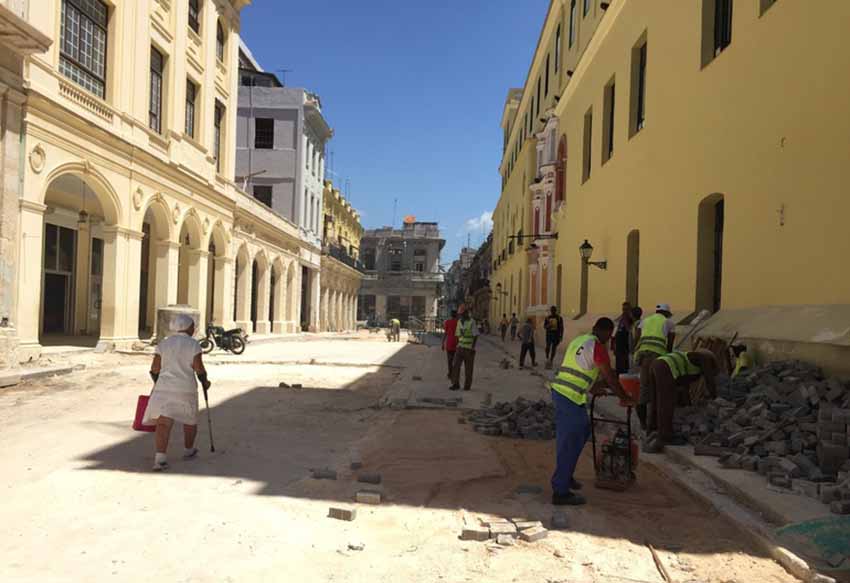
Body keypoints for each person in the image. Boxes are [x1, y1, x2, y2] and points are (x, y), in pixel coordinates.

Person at [550, 318, 635, 505]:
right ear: (606, 333)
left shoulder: (579, 340)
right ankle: (560, 491)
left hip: (566, 393)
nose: (608, 338)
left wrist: (592, 386)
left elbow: (578, 369)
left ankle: (566, 476)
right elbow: (610, 377)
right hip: (568, 397)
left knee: (581, 433)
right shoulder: (597, 347)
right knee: (570, 441)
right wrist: (623, 397)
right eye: (609, 335)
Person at [144, 314, 211, 471]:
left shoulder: (163, 344)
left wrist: (158, 383)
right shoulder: (193, 345)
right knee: (189, 420)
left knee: (163, 423)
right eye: (192, 326)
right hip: (185, 388)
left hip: (163, 388)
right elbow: (199, 368)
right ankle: (188, 450)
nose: (194, 329)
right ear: (187, 328)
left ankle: (160, 459)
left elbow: (154, 368)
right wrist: (205, 382)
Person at [644, 349, 718, 451]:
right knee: (666, 402)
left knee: (656, 401)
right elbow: (709, 380)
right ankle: (665, 436)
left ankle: (652, 429)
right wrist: (716, 399)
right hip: (665, 367)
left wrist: (688, 405)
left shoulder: (690, 363)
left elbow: (684, 386)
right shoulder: (704, 357)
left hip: (657, 364)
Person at [633, 304, 676, 430]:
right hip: (657, 357)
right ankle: (655, 423)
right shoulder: (668, 322)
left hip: (642, 356)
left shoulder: (644, 321)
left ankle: (643, 423)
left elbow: (636, 338)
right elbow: (670, 345)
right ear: (667, 313)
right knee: (657, 388)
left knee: (643, 387)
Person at [450, 304, 479, 391]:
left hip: (468, 348)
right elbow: (458, 335)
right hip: (460, 347)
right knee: (455, 366)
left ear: (466, 313)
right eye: (460, 314)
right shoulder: (459, 322)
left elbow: (475, 336)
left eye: (462, 314)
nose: (461, 316)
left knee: (468, 368)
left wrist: (472, 348)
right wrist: (457, 346)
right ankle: (455, 384)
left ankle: (467, 386)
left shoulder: (472, 322)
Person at [612, 302, 634, 374]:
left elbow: (630, 331)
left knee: (625, 363)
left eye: (627, 309)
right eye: (623, 309)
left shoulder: (631, 320)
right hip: (619, 344)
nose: (625, 311)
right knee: (618, 362)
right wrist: (613, 345)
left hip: (626, 344)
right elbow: (614, 333)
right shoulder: (619, 319)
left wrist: (626, 322)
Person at [441, 310, 459, 379]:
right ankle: (454, 373)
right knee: (456, 360)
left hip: (449, 343)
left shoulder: (447, 322)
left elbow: (445, 333)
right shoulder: (459, 322)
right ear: (456, 315)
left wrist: (442, 343)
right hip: (457, 343)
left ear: (451, 315)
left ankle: (450, 373)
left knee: (450, 360)